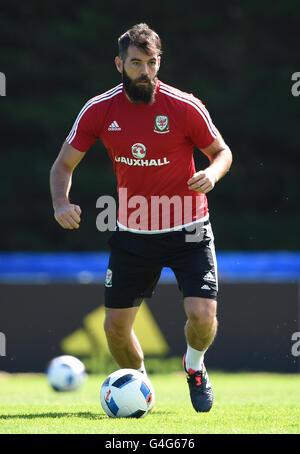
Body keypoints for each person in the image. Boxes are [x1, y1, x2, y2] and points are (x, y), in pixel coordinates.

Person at [50, 23, 232, 413]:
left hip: (189, 228)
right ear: (119, 64)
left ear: (159, 62)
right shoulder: (99, 109)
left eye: (151, 63)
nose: (145, 71)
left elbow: (222, 152)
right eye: (136, 63)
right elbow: (63, 164)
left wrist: (212, 174)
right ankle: (140, 388)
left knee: (202, 315)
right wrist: (61, 204)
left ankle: (195, 366)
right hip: (133, 232)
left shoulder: (184, 105)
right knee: (115, 331)